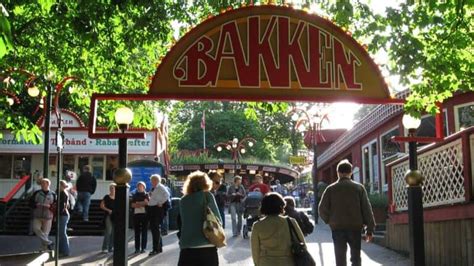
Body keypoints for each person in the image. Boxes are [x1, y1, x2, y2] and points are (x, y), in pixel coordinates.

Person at [319, 159, 376, 266]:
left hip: (337, 227)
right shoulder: (359, 188)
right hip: (355, 227)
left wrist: (329, 220)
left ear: (338, 173)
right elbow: (366, 209)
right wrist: (369, 229)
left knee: (340, 258)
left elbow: (322, 208)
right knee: (355, 257)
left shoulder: (330, 189)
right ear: (350, 172)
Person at [178, 171, 221, 266]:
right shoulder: (207, 196)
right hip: (207, 246)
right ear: (206, 183)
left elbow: (182, 222)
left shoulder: (183, 200)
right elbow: (218, 220)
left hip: (187, 247)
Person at [251, 192, 306, 266]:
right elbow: (302, 243)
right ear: (281, 206)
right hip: (287, 262)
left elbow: (255, 250)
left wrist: (258, 264)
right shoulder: (290, 222)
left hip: (266, 262)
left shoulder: (257, 226)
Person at [29, 178, 56, 251]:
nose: (42, 185)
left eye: (44, 183)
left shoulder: (53, 194)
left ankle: (43, 249)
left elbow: (56, 205)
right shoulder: (36, 193)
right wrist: (36, 204)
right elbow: (30, 203)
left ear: (48, 184)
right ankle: (49, 242)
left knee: (45, 233)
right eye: (41, 183)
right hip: (37, 215)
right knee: (36, 229)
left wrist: (50, 206)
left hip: (48, 216)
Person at [147, 174, 170, 256]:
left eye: (152, 180)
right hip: (154, 210)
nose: (151, 182)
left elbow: (167, 195)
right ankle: (158, 248)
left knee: (155, 230)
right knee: (156, 230)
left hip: (156, 211)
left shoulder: (160, 187)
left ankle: (155, 249)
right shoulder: (156, 187)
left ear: (156, 180)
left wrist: (161, 203)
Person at [132, 181, 149, 254]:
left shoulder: (146, 194)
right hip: (136, 215)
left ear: (144, 187)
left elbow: (147, 203)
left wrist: (138, 203)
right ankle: (137, 248)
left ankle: (143, 248)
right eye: (138, 186)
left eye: (141, 186)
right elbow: (132, 205)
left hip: (145, 215)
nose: (139, 187)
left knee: (144, 232)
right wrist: (142, 203)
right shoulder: (134, 195)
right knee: (137, 232)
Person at [100, 182, 116, 253]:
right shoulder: (106, 197)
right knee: (108, 231)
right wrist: (108, 210)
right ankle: (104, 248)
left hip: (115, 216)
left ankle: (111, 247)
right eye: (111, 188)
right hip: (108, 215)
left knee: (113, 232)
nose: (112, 189)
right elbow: (101, 206)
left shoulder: (118, 197)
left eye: (113, 188)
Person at [58, 180, 71, 257]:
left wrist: (58, 213)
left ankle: (65, 251)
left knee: (62, 233)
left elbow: (62, 205)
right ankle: (61, 250)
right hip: (64, 214)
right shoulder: (64, 193)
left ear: (61, 185)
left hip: (63, 214)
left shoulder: (62, 193)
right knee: (61, 233)